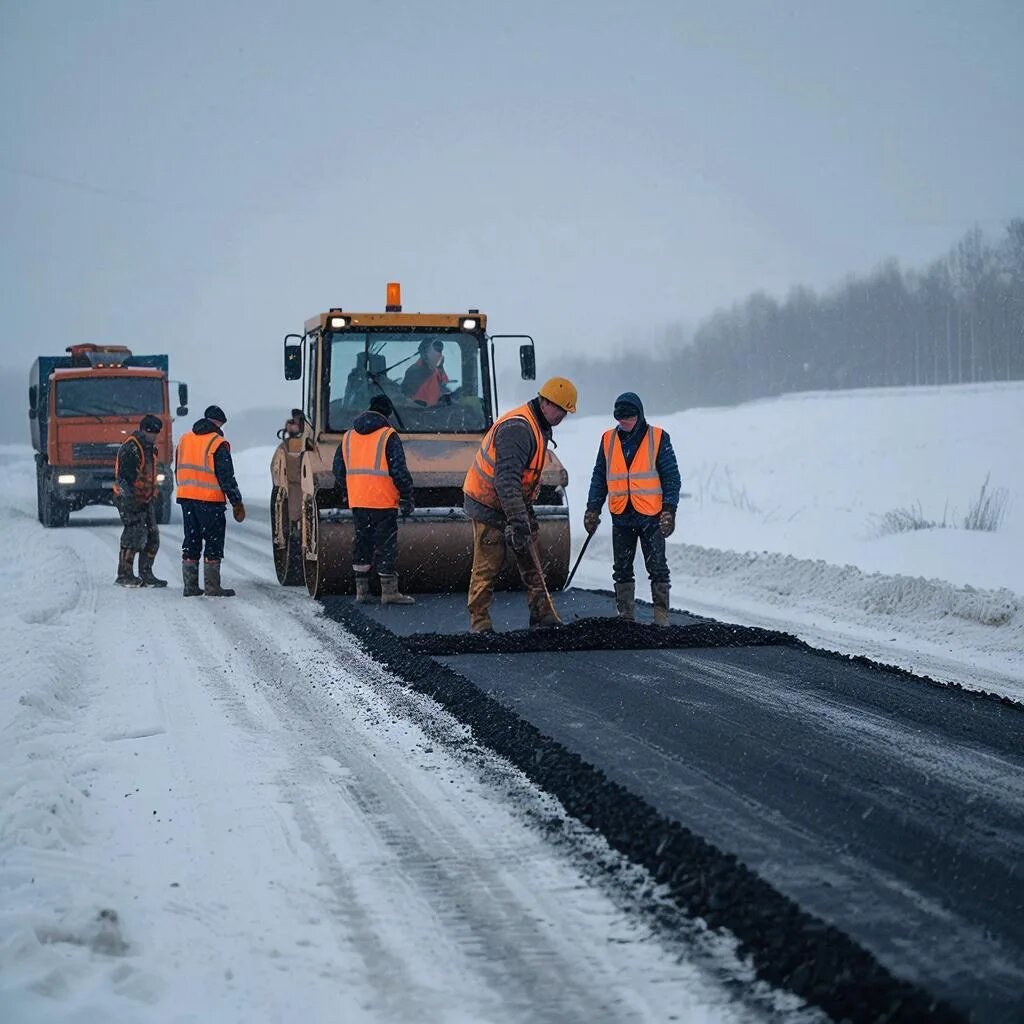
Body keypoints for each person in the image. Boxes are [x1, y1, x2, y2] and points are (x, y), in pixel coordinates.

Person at [463, 377, 577, 632]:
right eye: (561, 411)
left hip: (515, 501)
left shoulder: (539, 425)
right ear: (546, 403)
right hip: (487, 502)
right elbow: (505, 481)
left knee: (531, 555)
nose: (562, 417)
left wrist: (521, 520)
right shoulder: (518, 429)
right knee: (488, 562)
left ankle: (542, 614)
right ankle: (479, 623)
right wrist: (517, 521)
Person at [584, 391, 681, 626]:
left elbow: (671, 477)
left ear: (639, 415)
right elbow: (599, 476)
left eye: (628, 418)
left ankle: (661, 617)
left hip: (651, 515)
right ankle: (625, 616)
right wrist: (592, 508)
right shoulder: (608, 440)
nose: (623, 423)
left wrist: (669, 510)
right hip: (621, 515)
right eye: (620, 419)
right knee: (622, 568)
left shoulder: (658, 438)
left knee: (657, 566)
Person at [332, 394, 416, 604]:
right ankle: (389, 592)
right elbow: (398, 470)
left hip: (359, 501)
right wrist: (407, 496)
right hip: (384, 501)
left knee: (362, 542)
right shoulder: (388, 436)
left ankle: (362, 591)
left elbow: (338, 470)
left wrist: (348, 489)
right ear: (387, 414)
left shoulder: (349, 436)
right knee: (386, 545)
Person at [174, 404, 246, 598]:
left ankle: (190, 587)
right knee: (213, 542)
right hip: (210, 501)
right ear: (218, 423)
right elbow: (226, 477)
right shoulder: (217, 443)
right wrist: (236, 501)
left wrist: (185, 490)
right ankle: (212, 587)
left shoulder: (185, 439)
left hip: (187, 497)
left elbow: (178, 468)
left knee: (191, 540)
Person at [113, 413, 166, 587]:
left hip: (145, 498)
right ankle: (124, 574)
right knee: (133, 534)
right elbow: (125, 479)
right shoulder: (132, 448)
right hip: (128, 498)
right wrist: (131, 502)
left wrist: (151, 496)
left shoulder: (150, 448)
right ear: (143, 430)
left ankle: (146, 574)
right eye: (151, 432)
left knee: (152, 536)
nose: (154, 436)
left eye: (156, 433)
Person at [401, 338, 450, 406]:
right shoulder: (414, 373)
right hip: (419, 413)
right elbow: (406, 400)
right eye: (434, 354)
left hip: (438, 413)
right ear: (424, 354)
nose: (439, 356)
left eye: (439, 354)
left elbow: (443, 389)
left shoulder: (438, 371)